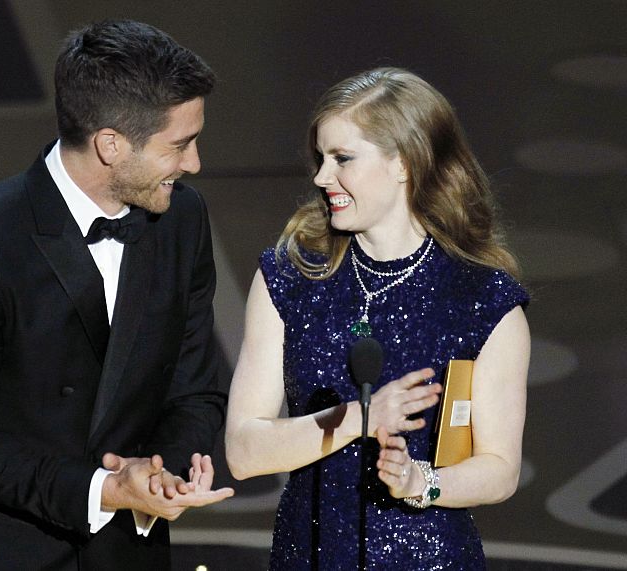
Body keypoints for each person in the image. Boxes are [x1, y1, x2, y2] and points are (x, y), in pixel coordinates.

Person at [0, 19, 233, 570]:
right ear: (111, 144)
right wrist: (104, 489)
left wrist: (164, 472)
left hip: (128, 552)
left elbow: (194, 388)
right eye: (179, 144)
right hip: (2, 552)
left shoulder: (182, 220)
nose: (194, 163)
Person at [225, 67, 530, 569]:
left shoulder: (481, 299)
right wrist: (358, 419)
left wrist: (421, 482)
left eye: (342, 158)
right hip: (309, 556)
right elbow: (243, 450)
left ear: (405, 162)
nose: (323, 177)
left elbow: (499, 469)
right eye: (321, 158)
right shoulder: (292, 275)